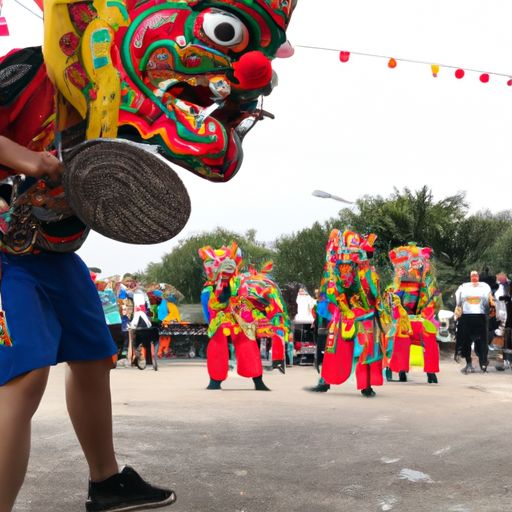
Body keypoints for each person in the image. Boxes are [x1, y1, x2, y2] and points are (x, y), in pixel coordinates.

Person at [0, 80, 175, 512]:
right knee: (26, 374)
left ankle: (107, 482)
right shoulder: (27, 69)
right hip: (4, 250)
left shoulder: (125, 87)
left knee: (95, 357)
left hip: (56, 253)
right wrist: (27, 159)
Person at [454, 270, 494, 374]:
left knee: (482, 342)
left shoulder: (485, 287)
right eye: (472, 276)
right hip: (467, 317)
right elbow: (458, 302)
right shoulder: (463, 287)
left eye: (476, 275)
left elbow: (491, 302)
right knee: (466, 341)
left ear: (478, 277)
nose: (474, 278)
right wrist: (457, 314)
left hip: (480, 318)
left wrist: (490, 314)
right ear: (470, 277)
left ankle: (483, 364)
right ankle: (469, 363)